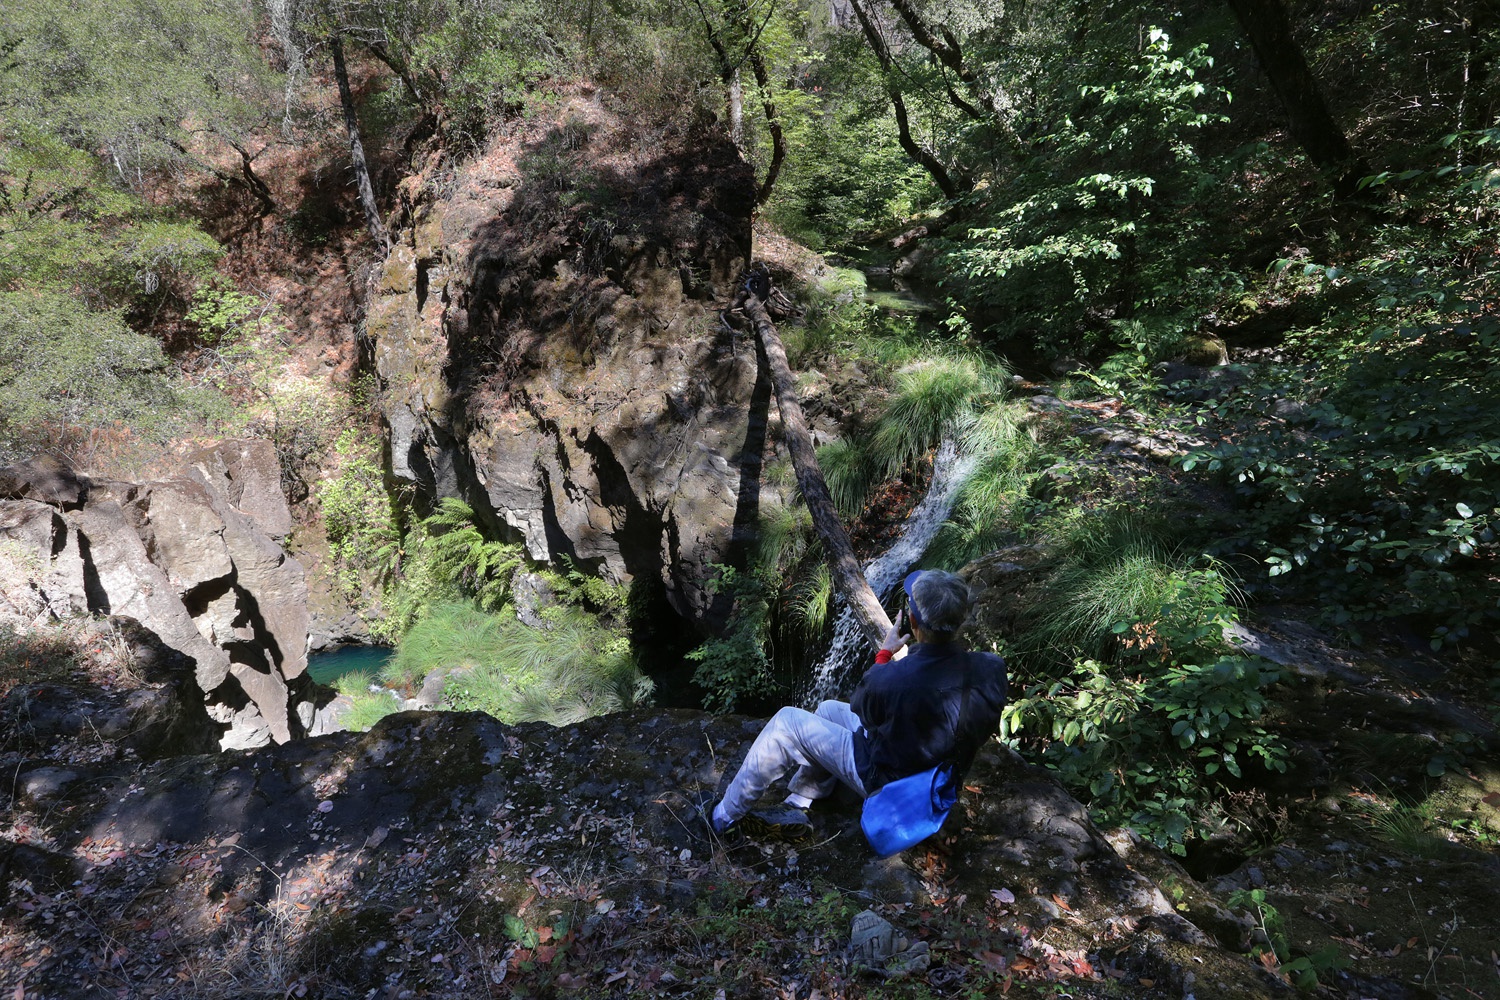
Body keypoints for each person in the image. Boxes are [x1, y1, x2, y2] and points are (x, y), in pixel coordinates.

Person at [708, 569, 1009, 841]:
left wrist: (884, 655)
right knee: (827, 709)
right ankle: (801, 800)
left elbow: (862, 709)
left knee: (787, 721)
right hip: (939, 777)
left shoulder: (894, 679)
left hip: (891, 786)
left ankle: (724, 818)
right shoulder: (991, 667)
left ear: (913, 622)